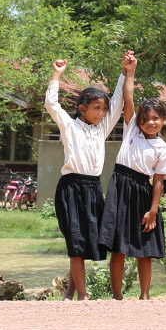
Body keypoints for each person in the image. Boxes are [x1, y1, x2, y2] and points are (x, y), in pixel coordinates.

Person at [44, 55, 127, 300]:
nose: (101, 113)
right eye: (96, 108)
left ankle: (70, 292)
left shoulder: (102, 129)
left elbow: (119, 102)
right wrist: (57, 75)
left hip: (93, 188)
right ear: (82, 109)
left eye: (103, 109)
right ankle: (83, 295)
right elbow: (51, 104)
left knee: (86, 240)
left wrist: (124, 72)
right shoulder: (69, 126)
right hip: (71, 188)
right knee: (75, 241)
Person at [98, 50, 166, 300]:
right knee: (118, 247)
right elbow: (128, 98)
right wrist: (130, 71)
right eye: (146, 119)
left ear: (163, 121)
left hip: (143, 193)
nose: (150, 122)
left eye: (155, 119)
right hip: (120, 188)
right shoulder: (132, 130)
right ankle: (117, 297)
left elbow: (158, 182)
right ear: (138, 121)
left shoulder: (162, 148)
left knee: (144, 248)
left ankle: (144, 295)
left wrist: (153, 210)